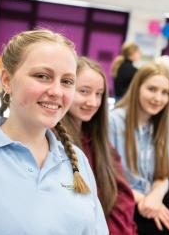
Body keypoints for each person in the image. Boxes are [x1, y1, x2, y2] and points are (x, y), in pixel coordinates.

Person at [0, 29, 108, 235]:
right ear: (6, 80)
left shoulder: (76, 159)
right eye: (42, 76)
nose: (57, 91)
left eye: (67, 81)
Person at [61, 57, 136, 235]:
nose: (93, 102)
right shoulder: (54, 142)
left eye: (99, 94)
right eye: (84, 91)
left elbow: (122, 198)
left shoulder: (99, 142)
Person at [109, 62, 169, 234]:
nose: (158, 98)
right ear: (137, 88)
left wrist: (155, 196)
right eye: (152, 89)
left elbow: (162, 174)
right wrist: (144, 199)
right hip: (121, 199)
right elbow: (106, 178)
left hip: (148, 196)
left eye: (164, 93)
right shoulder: (113, 122)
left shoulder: (157, 125)